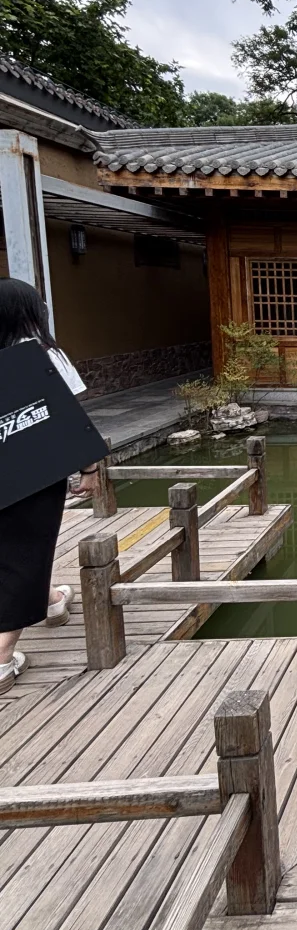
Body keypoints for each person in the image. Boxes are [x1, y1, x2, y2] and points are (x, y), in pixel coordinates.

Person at [0, 279, 100, 694]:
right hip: (34, 474)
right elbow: (67, 417)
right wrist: (89, 467)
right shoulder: (44, 355)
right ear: (28, 312)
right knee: (26, 552)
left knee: (16, 551)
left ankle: (51, 602)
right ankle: (2, 657)